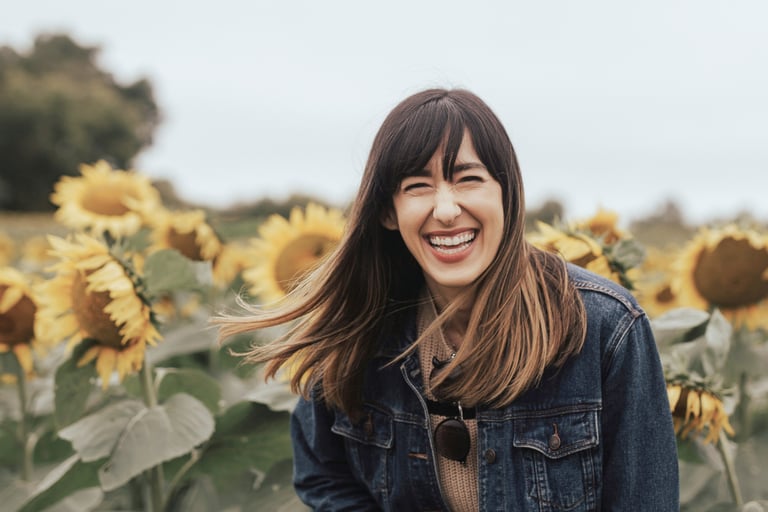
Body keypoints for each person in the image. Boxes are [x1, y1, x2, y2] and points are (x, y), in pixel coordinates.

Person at [214, 88, 679, 511]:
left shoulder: (605, 329)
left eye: (468, 179)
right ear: (388, 213)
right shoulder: (360, 329)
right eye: (417, 186)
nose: (446, 209)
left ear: (506, 194)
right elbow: (322, 473)